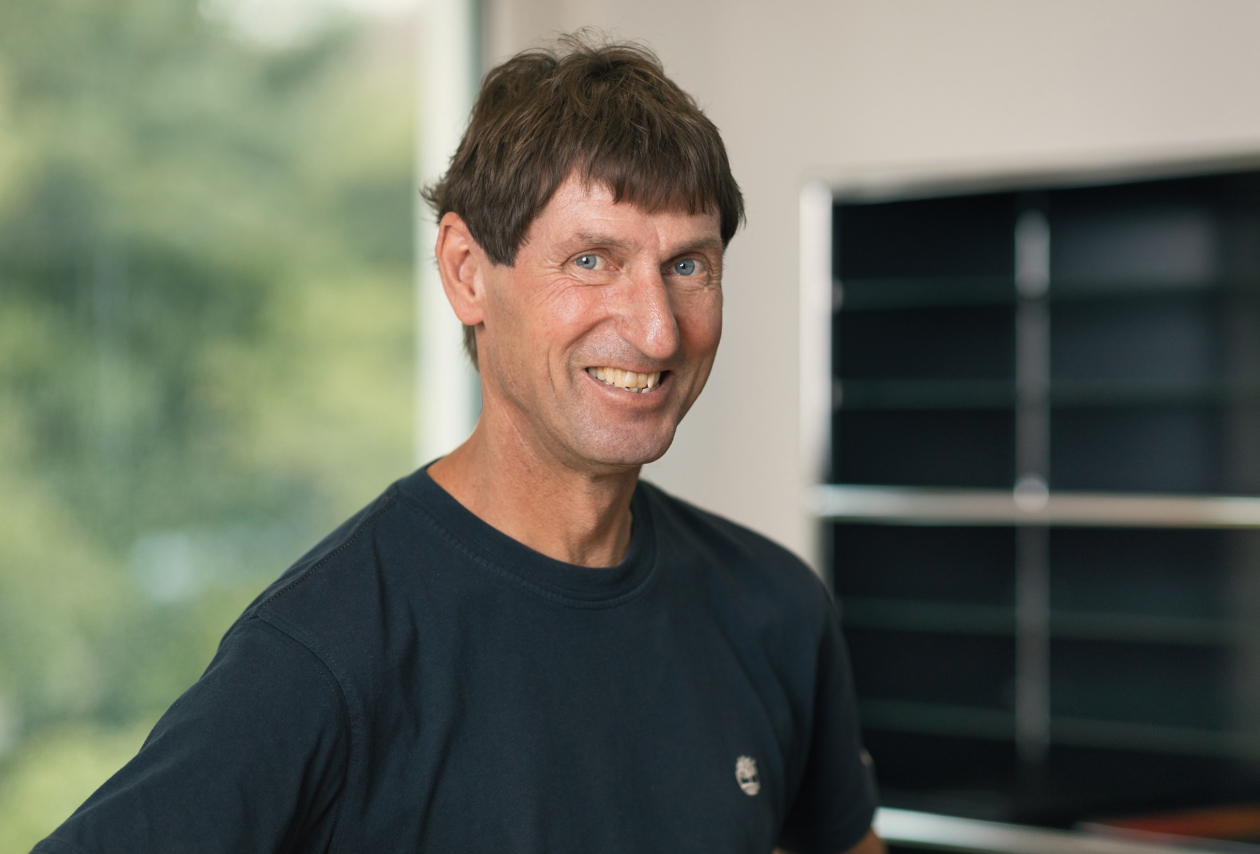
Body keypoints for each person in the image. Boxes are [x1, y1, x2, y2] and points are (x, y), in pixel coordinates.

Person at [34, 35, 882, 854]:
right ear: (467, 273)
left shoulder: (776, 611)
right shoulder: (323, 654)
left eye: (688, 266)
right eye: (592, 261)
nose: (658, 330)